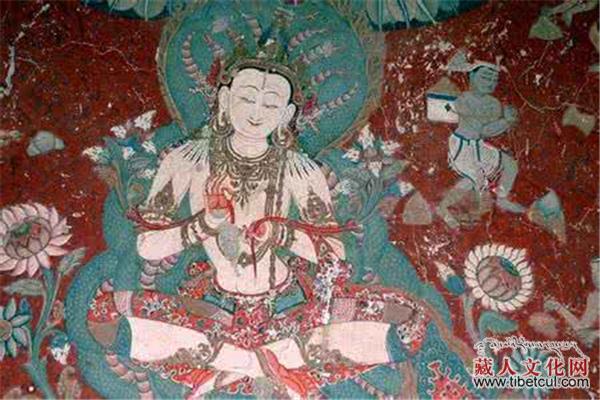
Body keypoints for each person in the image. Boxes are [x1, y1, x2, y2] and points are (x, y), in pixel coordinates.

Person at [87, 51, 474, 399]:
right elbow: (147, 246)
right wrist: (204, 225)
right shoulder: (187, 161)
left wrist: (282, 233)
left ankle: (239, 365)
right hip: (213, 312)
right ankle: (267, 365)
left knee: (409, 319)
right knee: (104, 315)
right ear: (224, 100)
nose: (256, 111)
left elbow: (334, 254)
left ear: (287, 115)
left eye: (270, 103)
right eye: (246, 98)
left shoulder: (299, 169)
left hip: (290, 313)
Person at [437, 62, 526, 229]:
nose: (490, 83)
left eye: (494, 79)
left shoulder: (494, 104)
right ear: (471, 76)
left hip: (478, 144)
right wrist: (506, 121)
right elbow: (482, 129)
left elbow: (488, 131)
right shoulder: (464, 100)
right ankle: (447, 210)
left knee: (510, 165)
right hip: (462, 146)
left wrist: (507, 122)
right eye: (485, 77)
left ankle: (502, 198)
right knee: (476, 180)